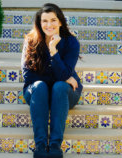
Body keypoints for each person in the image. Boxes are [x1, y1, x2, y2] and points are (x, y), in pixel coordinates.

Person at [21, 3, 82, 158]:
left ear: (60, 21)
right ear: (39, 23)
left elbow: (64, 75)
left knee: (60, 87)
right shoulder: (30, 41)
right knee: (41, 85)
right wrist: (65, 77)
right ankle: (40, 145)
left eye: (53, 20)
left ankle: (55, 145)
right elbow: (28, 76)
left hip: (66, 93)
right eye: (45, 21)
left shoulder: (71, 42)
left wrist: (53, 50)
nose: (49, 25)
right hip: (37, 93)